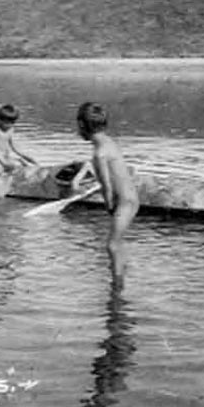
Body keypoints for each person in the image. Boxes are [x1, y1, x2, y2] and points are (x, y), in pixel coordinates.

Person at [72, 102, 139, 289]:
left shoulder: (99, 153)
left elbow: (106, 186)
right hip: (130, 199)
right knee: (117, 242)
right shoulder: (109, 142)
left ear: (83, 126)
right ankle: (120, 271)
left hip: (124, 202)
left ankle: (117, 286)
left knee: (112, 245)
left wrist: (109, 205)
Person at [0, 104, 38, 198]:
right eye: (7, 123)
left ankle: (28, 183)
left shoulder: (11, 128)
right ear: (0, 120)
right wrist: (3, 163)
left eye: (13, 123)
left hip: (6, 157)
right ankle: (0, 197)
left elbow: (14, 147)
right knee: (1, 177)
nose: (10, 125)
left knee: (25, 165)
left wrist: (27, 157)